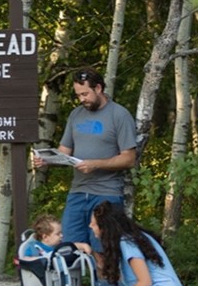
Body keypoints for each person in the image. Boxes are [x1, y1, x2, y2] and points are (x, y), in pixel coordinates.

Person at [33, 67, 137, 258]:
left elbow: (129, 158)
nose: (82, 99)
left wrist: (95, 164)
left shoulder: (119, 115)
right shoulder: (76, 115)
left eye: (85, 94)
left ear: (98, 88)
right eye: (78, 95)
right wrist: (47, 160)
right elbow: (65, 152)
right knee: (67, 248)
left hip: (106, 193)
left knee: (102, 252)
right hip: (78, 192)